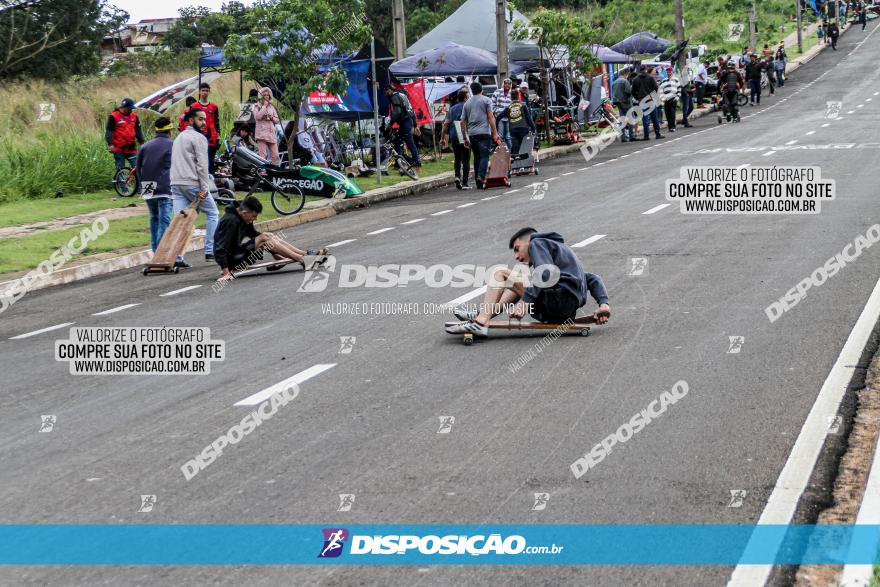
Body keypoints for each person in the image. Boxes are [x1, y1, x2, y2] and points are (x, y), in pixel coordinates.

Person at [445, 227, 611, 337]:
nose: (516, 256)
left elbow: (545, 273)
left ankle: (480, 322)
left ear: (528, 242)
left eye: (517, 249)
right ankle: (482, 315)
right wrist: (604, 304)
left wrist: (525, 302)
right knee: (519, 284)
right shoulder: (564, 251)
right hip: (565, 309)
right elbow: (592, 278)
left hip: (556, 303)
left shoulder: (537, 243)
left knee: (500, 272)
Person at [213, 195, 327, 281]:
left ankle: (305, 254)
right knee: (265, 237)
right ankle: (302, 259)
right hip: (232, 260)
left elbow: (253, 234)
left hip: (238, 253)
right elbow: (220, 249)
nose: (255, 219)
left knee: (268, 235)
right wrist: (226, 272)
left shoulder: (242, 217)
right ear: (243, 212)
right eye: (253, 216)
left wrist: (273, 250)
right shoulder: (230, 221)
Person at [170, 107, 219, 267]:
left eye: (205, 119)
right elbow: (202, 166)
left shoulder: (179, 138)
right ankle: (211, 251)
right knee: (213, 213)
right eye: (200, 119)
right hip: (192, 184)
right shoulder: (199, 138)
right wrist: (205, 188)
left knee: (181, 220)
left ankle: (177, 257)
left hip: (176, 184)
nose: (204, 122)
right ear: (191, 120)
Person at [136, 117, 174, 253]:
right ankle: (161, 254)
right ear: (170, 130)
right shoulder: (172, 144)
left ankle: (155, 250)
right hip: (164, 185)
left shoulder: (145, 146)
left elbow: (138, 168)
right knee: (164, 221)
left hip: (147, 185)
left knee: (154, 219)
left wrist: (142, 184)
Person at [460, 81, 500, 190]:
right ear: (481, 89)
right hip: (484, 133)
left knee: (477, 157)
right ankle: (481, 176)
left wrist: (464, 137)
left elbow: (462, 121)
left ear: (472, 91)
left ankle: (478, 182)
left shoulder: (467, 103)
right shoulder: (486, 100)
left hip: (472, 134)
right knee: (484, 156)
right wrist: (495, 132)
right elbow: (491, 117)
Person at [385, 84, 422, 176]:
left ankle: (413, 162)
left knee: (405, 142)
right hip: (408, 121)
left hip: (405, 122)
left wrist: (390, 124)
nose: (386, 94)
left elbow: (397, 112)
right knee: (401, 142)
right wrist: (415, 125)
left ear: (389, 90)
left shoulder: (394, 97)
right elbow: (411, 110)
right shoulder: (402, 95)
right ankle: (406, 162)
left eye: (386, 91)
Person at [440, 89, 472, 190]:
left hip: (454, 135)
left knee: (457, 158)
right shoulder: (468, 107)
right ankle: (465, 182)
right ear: (466, 98)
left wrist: (442, 138)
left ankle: (457, 176)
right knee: (466, 158)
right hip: (464, 134)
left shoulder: (452, 109)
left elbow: (445, 124)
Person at [105, 98, 145, 173]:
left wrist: (142, 142)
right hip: (118, 149)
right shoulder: (114, 116)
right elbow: (109, 131)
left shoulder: (134, 116)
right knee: (120, 169)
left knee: (137, 168)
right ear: (124, 107)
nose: (131, 110)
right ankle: (121, 184)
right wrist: (110, 144)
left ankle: (139, 184)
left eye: (132, 109)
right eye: (129, 108)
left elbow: (138, 130)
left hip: (131, 148)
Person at [631, 67, 663, 140]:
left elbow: (633, 92)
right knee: (655, 118)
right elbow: (656, 88)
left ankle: (646, 136)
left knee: (645, 119)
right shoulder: (651, 78)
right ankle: (657, 134)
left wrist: (638, 98)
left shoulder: (636, 79)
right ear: (645, 69)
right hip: (650, 99)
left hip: (642, 100)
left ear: (640, 70)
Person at [196, 83, 220, 174]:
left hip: (211, 138)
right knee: (199, 159)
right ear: (199, 92)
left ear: (209, 92)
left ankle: (211, 182)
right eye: (203, 90)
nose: (205, 92)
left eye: (206, 90)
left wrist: (218, 136)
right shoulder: (194, 106)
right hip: (198, 137)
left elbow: (217, 122)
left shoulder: (214, 107)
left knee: (210, 160)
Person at [254, 87, 281, 166]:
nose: (266, 96)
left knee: (275, 155)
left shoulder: (272, 107)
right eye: (264, 95)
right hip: (261, 133)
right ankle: (262, 170)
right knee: (262, 155)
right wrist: (264, 107)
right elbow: (257, 117)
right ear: (261, 96)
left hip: (271, 132)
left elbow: (277, 120)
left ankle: (275, 170)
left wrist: (271, 117)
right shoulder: (256, 106)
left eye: (268, 95)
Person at [611, 69, 636, 142]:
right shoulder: (625, 81)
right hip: (626, 102)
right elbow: (628, 91)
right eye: (627, 75)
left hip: (618, 103)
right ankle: (631, 136)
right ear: (625, 74)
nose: (627, 76)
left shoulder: (614, 82)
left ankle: (623, 137)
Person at [491, 78, 514, 149]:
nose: (507, 85)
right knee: (500, 136)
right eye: (506, 83)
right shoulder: (497, 92)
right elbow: (492, 104)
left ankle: (510, 153)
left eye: (509, 83)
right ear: (503, 84)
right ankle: (501, 152)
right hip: (500, 117)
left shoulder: (512, 93)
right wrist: (497, 111)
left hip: (509, 118)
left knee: (508, 136)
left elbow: (514, 103)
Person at [661, 67, 678, 132]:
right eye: (667, 72)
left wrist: (677, 97)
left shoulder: (676, 79)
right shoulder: (664, 80)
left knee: (672, 113)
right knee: (667, 113)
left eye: (670, 72)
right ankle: (669, 127)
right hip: (666, 99)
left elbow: (679, 89)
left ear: (672, 72)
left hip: (673, 98)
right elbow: (661, 89)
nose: (668, 73)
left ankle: (673, 126)